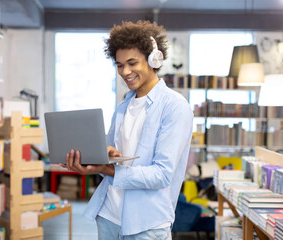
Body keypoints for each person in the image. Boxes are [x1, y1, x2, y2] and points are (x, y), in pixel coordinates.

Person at [61, 20, 193, 240]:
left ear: (153, 59)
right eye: (120, 64)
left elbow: (161, 174)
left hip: (146, 224)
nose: (125, 71)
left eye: (132, 63)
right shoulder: (124, 106)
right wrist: (103, 156)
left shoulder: (174, 107)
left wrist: (107, 169)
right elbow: (115, 156)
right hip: (109, 215)